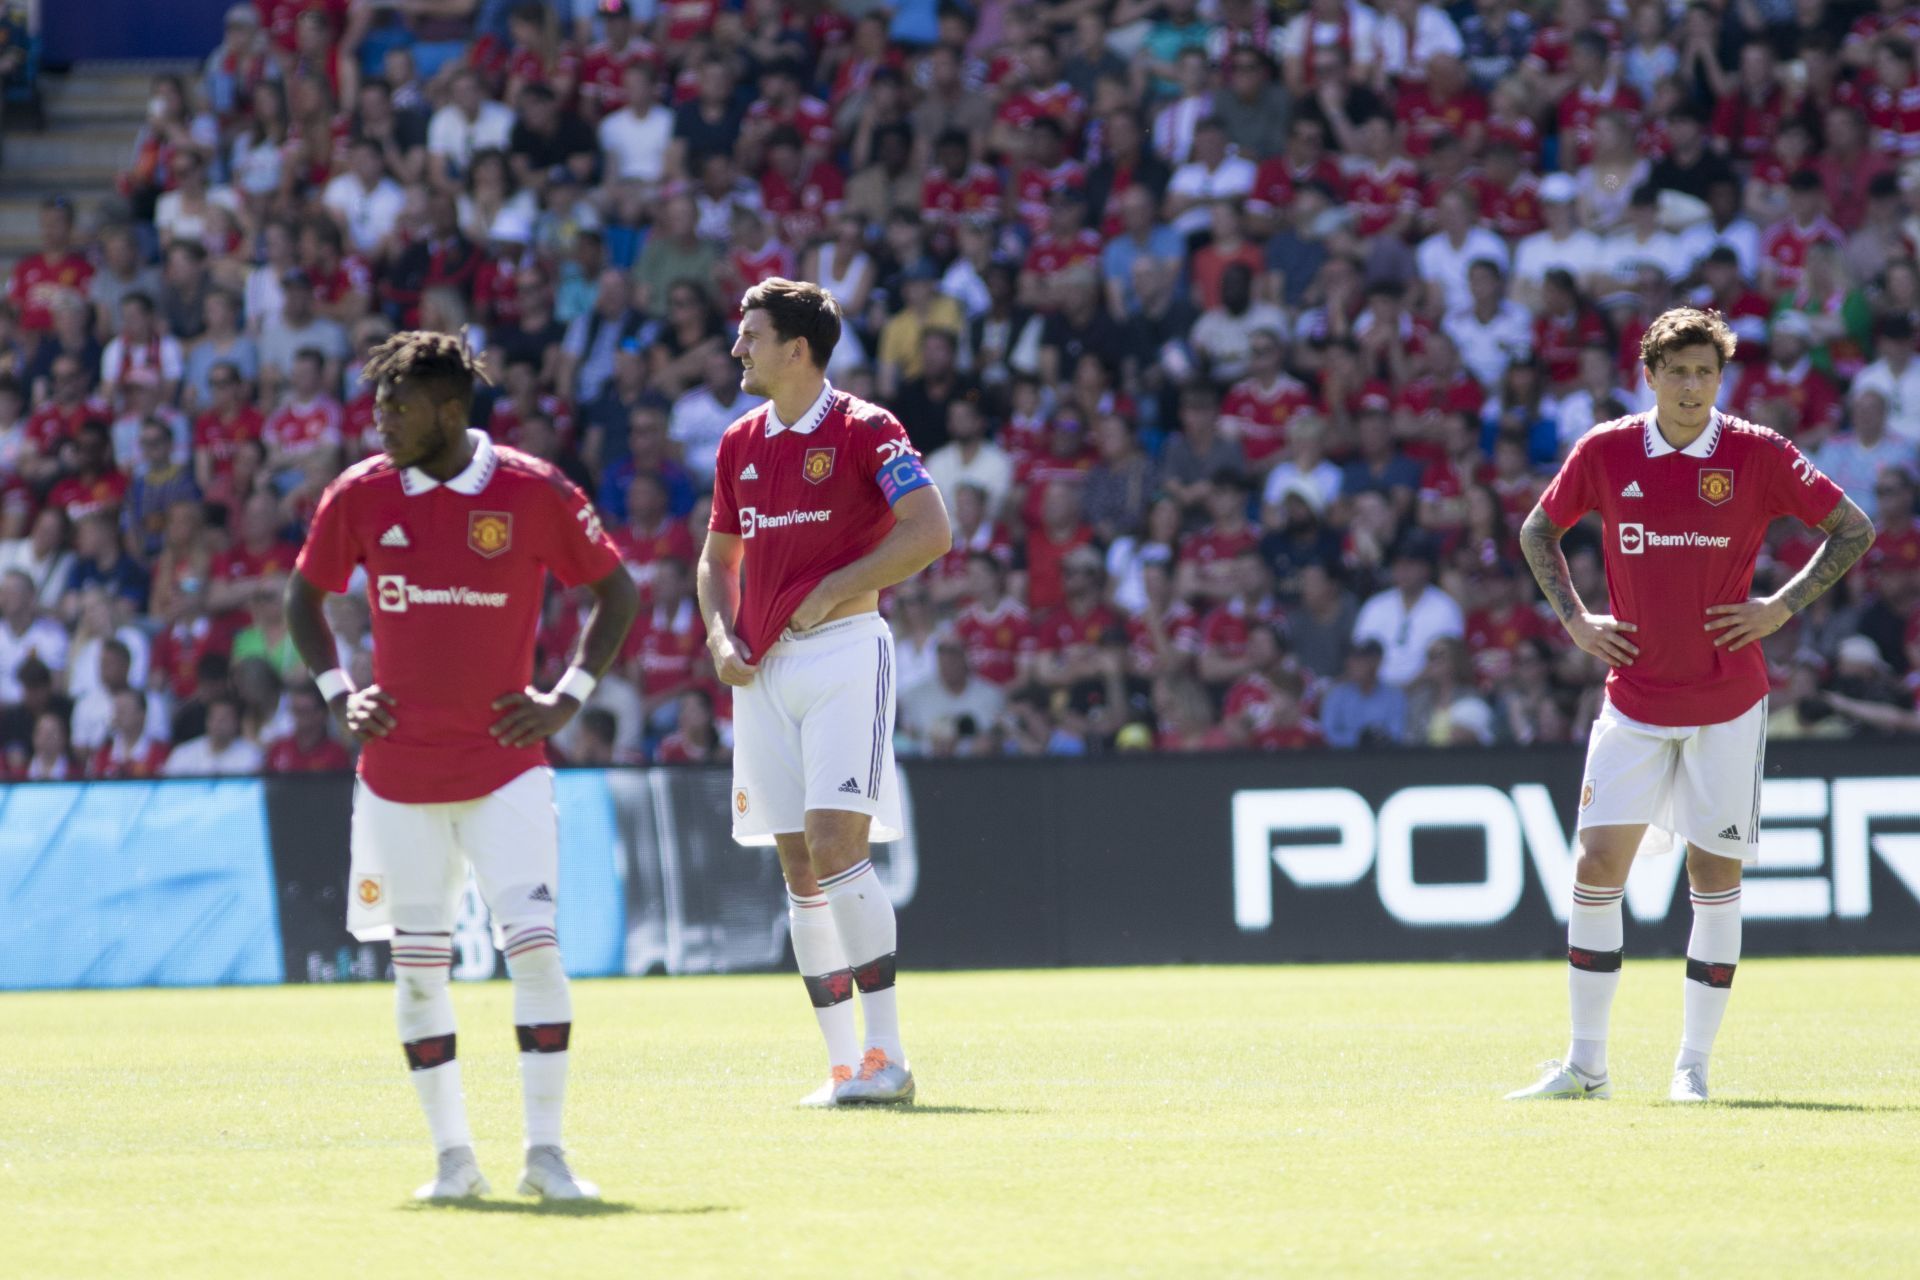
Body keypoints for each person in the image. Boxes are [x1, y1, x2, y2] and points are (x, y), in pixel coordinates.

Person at [283, 332, 639, 1200]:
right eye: (378, 406)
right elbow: (304, 597)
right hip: (398, 782)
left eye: (397, 408)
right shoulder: (360, 495)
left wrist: (567, 695)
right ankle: (453, 1162)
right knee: (414, 979)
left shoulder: (530, 489)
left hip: (507, 769)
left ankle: (546, 1155)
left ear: (448, 411)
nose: (380, 421)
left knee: (539, 958)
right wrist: (338, 693)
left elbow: (616, 590)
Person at [1509, 307, 1874, 1104]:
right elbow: (1540, 530)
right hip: (1634, 699)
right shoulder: (1606, 450)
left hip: (1726, 701)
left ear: (1721, 378)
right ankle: (1587, 1067)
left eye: (1705, 371)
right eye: (1676, 370)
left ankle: (1692, 1068)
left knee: (1713, 876)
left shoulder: (1756, 452)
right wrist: (1575, 620)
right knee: (1596, 866)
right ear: (1649, 374)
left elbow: (1853, 528)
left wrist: (1779, 605)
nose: (1690, 386)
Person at [698, 278, 951, 1108]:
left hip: (843, 650)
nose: (737, 347)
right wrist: (719, 633)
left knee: (838, 842)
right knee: (797, 864)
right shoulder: (738, 441)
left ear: (797, 348)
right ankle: (843, 1065)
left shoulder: (866, 428)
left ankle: (890, 1056)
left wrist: (830, 588)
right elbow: (716, 559)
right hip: (763, 668)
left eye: (751, 334)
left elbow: (931, 530)